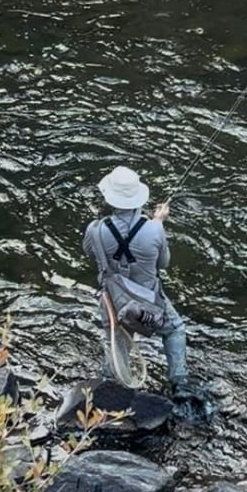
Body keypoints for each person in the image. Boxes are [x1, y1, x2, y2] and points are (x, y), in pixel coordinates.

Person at [83, 165, 188, 394]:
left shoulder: (95, 229)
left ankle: (110, 387)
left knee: (117, 341)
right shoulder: (154, 230)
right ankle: (179, 383)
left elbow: (90, 252)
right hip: (149, 301)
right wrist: (158, 222)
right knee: (174, 330)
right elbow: (163, 263)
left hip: (114, 301)